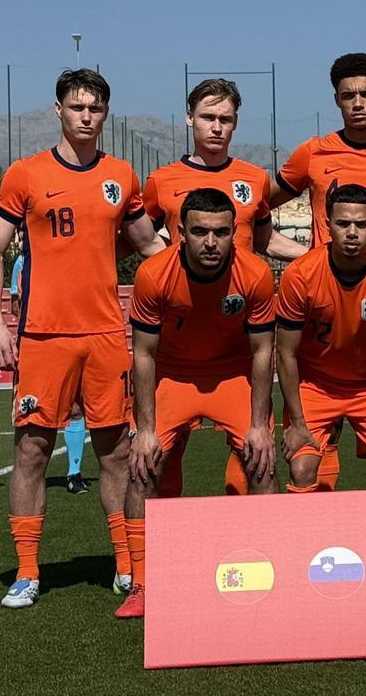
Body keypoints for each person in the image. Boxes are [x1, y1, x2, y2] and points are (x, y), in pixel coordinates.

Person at [0, 69, 164, 609]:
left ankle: (127, 566)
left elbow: (147, 245)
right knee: (32, 450)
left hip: (107, 334)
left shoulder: (122, 176)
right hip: (42, 336)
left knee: (116, 452)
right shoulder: (26, 173)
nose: (86, 115)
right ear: (58, 110)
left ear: (106, 113)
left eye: (96, 107)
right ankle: (29, 572)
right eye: (77, 106)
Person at [114, 188, 278, 619]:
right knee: (143, 466)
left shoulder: (256, 273)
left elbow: (264, 351)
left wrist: (260, 424)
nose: (211, 242)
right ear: (180, 232)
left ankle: (270, 571)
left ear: (234, 232)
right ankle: (143, 584)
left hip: (231, 372)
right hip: (173, 373)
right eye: (201, 232)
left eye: (222, 232)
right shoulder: (154, 274)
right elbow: (144, 354)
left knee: (261, 461)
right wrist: (145, 430)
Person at [142, 77, 304, 498]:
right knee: (161, 457)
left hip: (237, 343)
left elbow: (266, 240)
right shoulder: (162, 180)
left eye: (225, 119)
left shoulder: (253, 178)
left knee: (256, 457)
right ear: (189, 119)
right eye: (208, 117)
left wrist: (315, 258)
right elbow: (143, 239)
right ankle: (152, 560)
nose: (216, 127)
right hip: (179, 344)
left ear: (235, 124)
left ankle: (258, 552)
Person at [277, 184, 366, 493]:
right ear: (328, 225)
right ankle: (308, 540)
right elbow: (285, 353)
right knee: (302, 467)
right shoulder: (300, 275)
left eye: (361, 224)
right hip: (315, 385)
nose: (352, 232)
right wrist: (298, 424)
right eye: (343, 224)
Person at [270, 52, 366, 255]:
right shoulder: (312, 153)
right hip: (325, 280)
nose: (357, 104)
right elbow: (256, 206)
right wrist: (304, 255)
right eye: (348, 96)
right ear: (337, 100)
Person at [10, 241, 88, 495]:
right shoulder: (21, 263)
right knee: (31, 411)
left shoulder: (77, 259)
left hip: (74, 336)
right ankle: (30, 472)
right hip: (37, 340)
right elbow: (15, 304)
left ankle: (74, 473)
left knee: (76, 408)